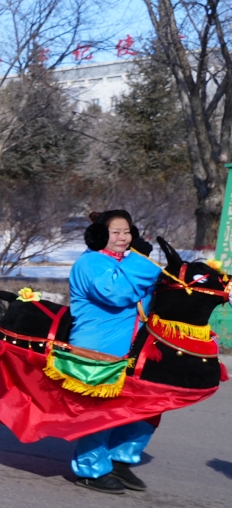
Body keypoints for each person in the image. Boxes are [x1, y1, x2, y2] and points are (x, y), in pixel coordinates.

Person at [66, 210, 164, 493]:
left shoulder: (129, 263)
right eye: (115, 232)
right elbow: (116, 293)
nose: (123, 238)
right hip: (98, 349)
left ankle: (120, 458)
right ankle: (90, 470)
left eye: (127, 232)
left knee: (148, 407)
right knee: (102, 412)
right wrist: (140, 259)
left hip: (135, 350)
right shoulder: (89, 263)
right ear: (99, 236)